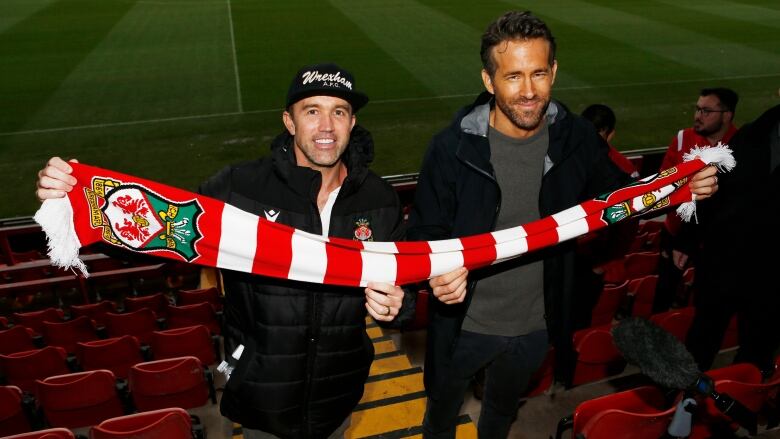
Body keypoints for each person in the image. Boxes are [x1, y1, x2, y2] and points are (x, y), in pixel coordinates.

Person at [35, 63, 413, 439]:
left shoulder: (379, 200)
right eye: (312, 111)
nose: (327, 126)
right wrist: (80, 203)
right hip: (260, 400)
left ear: (352, 122)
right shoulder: (238, 189)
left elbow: (405, 284)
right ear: (289, 121)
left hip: (339, 399)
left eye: (339, 112)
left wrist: (400, 304)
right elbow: (157, 237)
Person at [406, 11, 720, 438]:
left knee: (499, 413)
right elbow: (423, 236)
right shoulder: (450, 148)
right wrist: (436, 276)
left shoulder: (576, 137)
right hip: (463, 326)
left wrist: (683, 185)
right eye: (513, 76)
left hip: (535, 326)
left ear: (553, 71)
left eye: (539, 73)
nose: (529, 91)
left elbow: (621, 198)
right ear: (488, 80)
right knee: (440, 414)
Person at [681, 104, 780, 374]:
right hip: (725, 261)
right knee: (700, 342)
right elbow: (715, 190)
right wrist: (687, 238)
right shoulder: (753, 133)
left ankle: (740, 408)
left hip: (771, 275)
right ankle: (682, 406)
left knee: (755, 354)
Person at [653, 88, 739, 313]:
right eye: (697, 109)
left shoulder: (740, 148)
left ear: (727, 115)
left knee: (706, 304)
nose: (697, 116)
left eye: (706, 111)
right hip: (674, 234)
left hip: (712, 244)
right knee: (662, 296)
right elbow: (662, 184)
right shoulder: (683, 139)